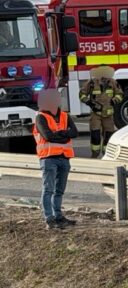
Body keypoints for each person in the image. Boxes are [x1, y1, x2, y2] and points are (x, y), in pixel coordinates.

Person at [32, 88, 78, 230]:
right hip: (49, 158)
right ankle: (49, 218)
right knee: (48, 190)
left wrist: (59, 133)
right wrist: (65, 134)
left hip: (64, 158)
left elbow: (75, 132)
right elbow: (48, 136)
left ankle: (58, 216)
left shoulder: (65, 115)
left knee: (59, 190)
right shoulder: (40, 117)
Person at [78, 67, 123, 158]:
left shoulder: (113, 82)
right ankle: (95, 154)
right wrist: (88, 102)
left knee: (108, 135)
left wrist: (114, 100)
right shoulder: (91, 83)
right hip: (96, 114)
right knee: (95, 134)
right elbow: (82, 94)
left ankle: (106, 153)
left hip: (108, 114)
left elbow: (120, 94)